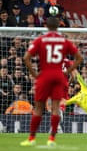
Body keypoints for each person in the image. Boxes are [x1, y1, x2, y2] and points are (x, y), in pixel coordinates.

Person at [20, 17, 83, 147]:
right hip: (58, 76)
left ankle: (31, 138)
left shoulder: (41, 40)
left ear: (47, 26)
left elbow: (26, 58)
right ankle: (52, 139)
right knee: (56, 108)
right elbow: (79, 58)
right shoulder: (64, 41)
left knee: (39, 108)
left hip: (45, 75)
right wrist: (67, 72)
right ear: (58, 27)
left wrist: (35, 74)